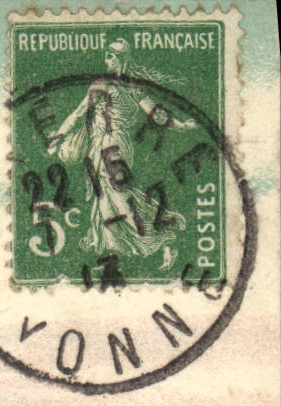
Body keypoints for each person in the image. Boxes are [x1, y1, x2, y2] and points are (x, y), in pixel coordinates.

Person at [48, 40, 193, 266]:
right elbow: (79, 113)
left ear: (121, 59)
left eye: (111, 57)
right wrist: (59, 136)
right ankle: (114, 253)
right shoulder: (114, 86)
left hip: (113, 146)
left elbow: (157, 115)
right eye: (107, 57)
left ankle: (166, 235)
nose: (107, 61)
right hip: (101, 146)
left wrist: (181, 125)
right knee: (105, 197)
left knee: (118, 196)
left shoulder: (127, 87)